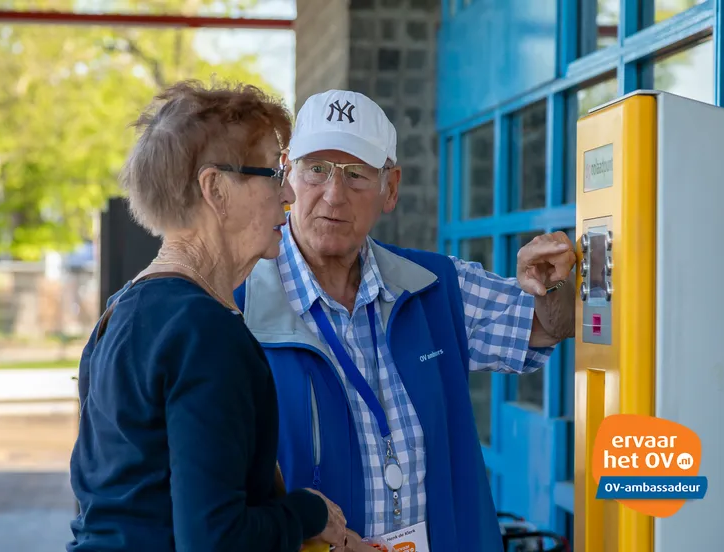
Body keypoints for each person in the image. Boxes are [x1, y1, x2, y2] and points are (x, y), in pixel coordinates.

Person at [233, 89, 577, 551]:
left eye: (357, 175)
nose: (334, 195)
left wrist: (551, 283)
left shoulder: (435, 286)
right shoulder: (235, 308)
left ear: (389, 188)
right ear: (288, 175)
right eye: (317, 169)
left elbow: (548, 325)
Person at [68, 80, 348, 552]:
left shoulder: (120, 311)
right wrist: (308, 513)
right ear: (215, 188)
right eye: (275, 173)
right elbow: (216, 540)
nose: (290, 197)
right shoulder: (206, 333)